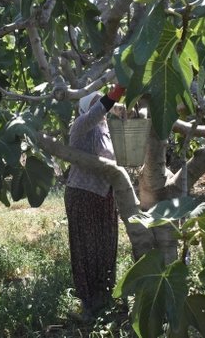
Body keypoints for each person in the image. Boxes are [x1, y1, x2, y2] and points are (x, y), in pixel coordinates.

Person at [65, 83, 125, 320]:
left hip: (104, 196)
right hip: (83, 195)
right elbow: (98, 111)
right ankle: (89, 304)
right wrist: (116, 92)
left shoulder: (105, 130)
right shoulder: (81, 126)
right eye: (94, 102)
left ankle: (104, 297)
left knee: (106, 244)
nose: (99, 105)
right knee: (87, 247)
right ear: (85, 108)